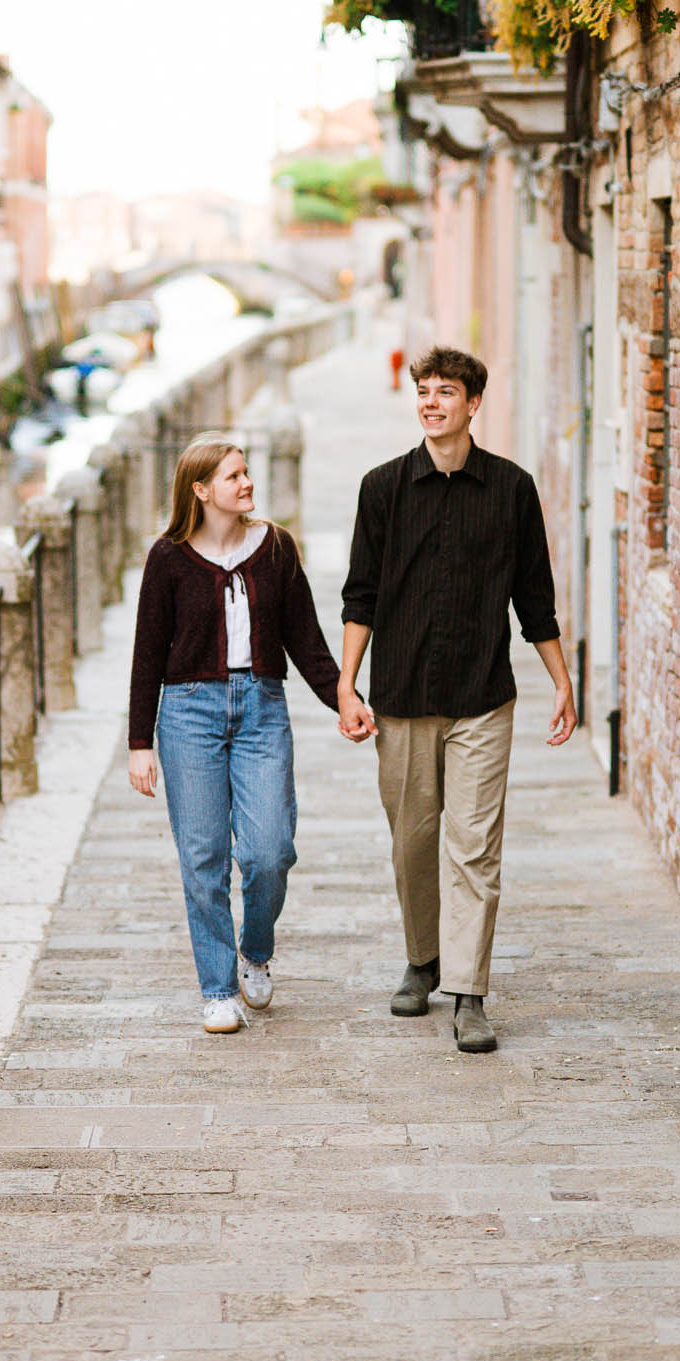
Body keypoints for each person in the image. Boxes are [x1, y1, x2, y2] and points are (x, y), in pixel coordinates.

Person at [337, 346, 576, 1055]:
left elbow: (535, 597)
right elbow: (361, 595)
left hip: (481, 698)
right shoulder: (382, 489)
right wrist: (347, 684)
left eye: (446, 391)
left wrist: (561, 679)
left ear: (474, 404)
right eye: (423, 391)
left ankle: (469, 993)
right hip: (401, 697)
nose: (431, 402)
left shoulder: (511, 489)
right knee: (413, 843)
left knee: (474, 849)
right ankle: (422, 959)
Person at [128, 437, 353, 1033]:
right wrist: (139, 743)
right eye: (233, 476)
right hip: (187, 714)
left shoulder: (275, 547)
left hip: (261, 708)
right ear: (200, 491)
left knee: (269, 850)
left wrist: (343, 699)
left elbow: (305, 637)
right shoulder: (168, 558)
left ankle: (256, 949)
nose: (246, 483)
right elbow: (147, 653)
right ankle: (218, 988)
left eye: (247, 473)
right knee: (202, 856)